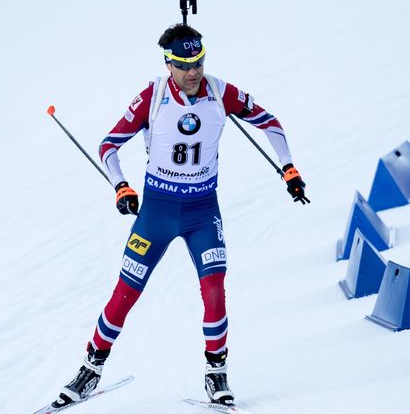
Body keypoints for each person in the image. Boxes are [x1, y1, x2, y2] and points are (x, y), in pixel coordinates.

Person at [52, 23, 309, 409]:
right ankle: (90, 369)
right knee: (125, 293)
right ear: (169, 64)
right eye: (184, 64)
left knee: (214, 291)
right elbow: (108, 145)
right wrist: (122, 187)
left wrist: (289, 168)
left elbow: (270, 123)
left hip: (202, 211)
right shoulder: (153, 95)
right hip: (156, 210)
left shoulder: (221, 92)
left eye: (199, 62)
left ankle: (216, 373)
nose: (194, 72)